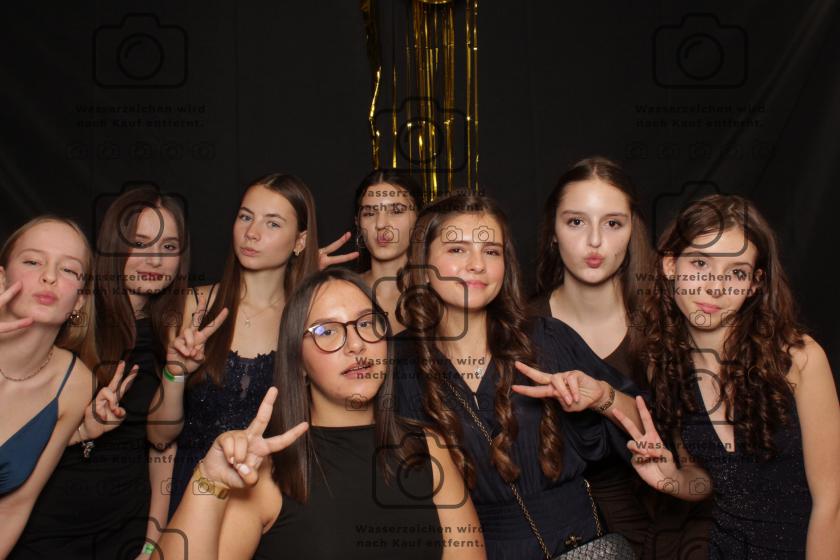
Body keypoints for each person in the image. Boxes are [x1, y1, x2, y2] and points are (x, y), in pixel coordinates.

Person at [157, 268, 485, 559]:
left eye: (366, 323)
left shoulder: (429, 448)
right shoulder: (267, 470)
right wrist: (209, 480)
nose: (356, 344)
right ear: (297, 361)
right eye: (327, 331)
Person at [393, 193, 645, 559]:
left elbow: (647, 429)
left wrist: (602, 397)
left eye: (491, 251)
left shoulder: (546, 338)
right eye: (457, 249)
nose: (477, 264)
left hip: (580, 545)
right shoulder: (400, 364)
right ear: (424, 262)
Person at [612, 194, 840, 559]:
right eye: (700, 263)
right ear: (670, 265)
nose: (715, 287)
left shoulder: (799, 359)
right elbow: (707, 480)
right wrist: (672, 479)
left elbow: (831, 503)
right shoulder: (664, 365)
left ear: (755, 284)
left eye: (736, 272)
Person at [531, 156, 711, 558]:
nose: (595, 241)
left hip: (680, 529)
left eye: (613, 223)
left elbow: (705, 468)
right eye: (576, 222)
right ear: (553, 232)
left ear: (633, 231)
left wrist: (607, 398)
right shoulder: (521, 329)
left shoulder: (671, 323)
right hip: (579, 539)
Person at [147, 173, 357, 517]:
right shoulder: (192, 309)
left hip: (273, 498)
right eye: (246, 217)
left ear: (300, 241)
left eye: (272, 223)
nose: (252, 233)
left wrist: (315, 282)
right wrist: (176, 374)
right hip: (195, 492)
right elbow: (158, 438)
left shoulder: (309, 319)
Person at [8, 188, 189, 558]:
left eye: (169, 247)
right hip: (43, 528)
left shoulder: (175, 332)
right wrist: (82, 430)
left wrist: (152, 541)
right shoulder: (65, 313)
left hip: (122, 529)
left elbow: (161, 449)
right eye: (140, 243)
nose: (155, 259)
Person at [0, 217, 102, 557]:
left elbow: (12, 508)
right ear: (1, 278)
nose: (49, 276)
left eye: (69, 270)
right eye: (33, 261)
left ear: (79, 301)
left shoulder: (76, 384)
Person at [354, 169, 423, 333]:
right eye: (369, 213)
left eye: (396, 211)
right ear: (358, 222)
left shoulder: (440, 292)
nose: (380, 224)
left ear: (419, 219)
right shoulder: (340, 291)